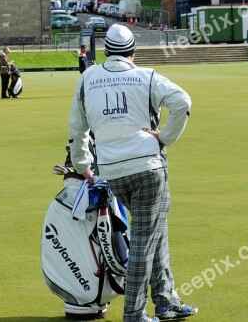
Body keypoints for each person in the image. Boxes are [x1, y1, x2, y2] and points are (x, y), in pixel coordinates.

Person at [68, 24, 197, 322]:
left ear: (107, 52)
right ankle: (135, 314)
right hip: (148, 168)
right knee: (143, 241)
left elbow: (77, 129)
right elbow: (182, 101)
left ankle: (165, 300)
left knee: (154, 231)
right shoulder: (146, 75)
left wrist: (83, 166)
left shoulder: (88, 77)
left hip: (111, 171)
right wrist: (164, 137)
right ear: (133, 54)